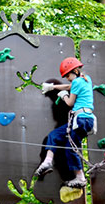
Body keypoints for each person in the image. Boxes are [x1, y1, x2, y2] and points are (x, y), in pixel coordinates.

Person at [35, 57, 96, 188]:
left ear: (74, 71)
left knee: (71, 147)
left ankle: (80, 178)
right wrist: (53, 87)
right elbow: (69, 86)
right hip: (85, 120)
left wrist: (63, 95)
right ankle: (47, 162)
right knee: (55, 135)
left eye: (68, 75)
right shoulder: (86, 79)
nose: (67, 78)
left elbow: (70, 102)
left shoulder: (77, 83)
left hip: (80, 119)